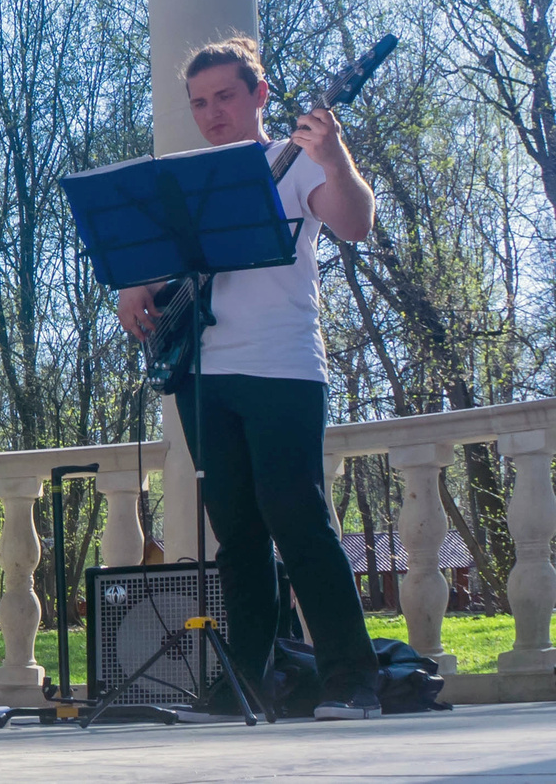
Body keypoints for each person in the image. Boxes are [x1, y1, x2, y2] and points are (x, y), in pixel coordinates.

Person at [115, 36, 384, 720]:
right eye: (200, 102)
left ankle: (354, 679)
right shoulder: (185, 181)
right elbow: (152, 264)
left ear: (259, 94)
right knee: (236, 535)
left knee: (299, 517)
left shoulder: (293, 164)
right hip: (203, 373)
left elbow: (356, 223)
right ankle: (244, 686)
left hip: (284, 364)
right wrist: (131, 287)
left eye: (226, 96)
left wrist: (335, 156)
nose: (213, 113)